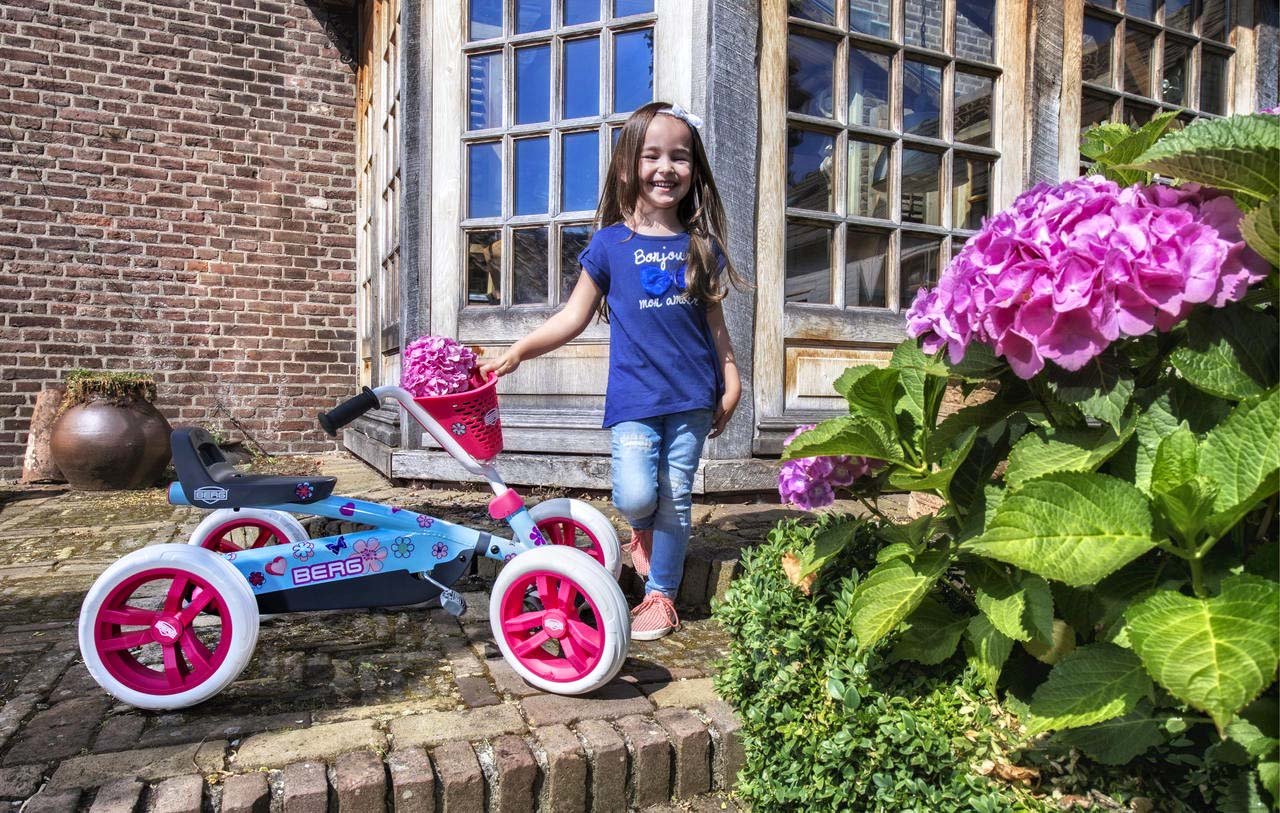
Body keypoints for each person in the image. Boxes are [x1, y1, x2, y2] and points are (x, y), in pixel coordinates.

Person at [480, 101, 745, 640]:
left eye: (680, 156)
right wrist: (519, 350)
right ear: (627, 167)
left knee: (676, 494)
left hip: (694, 395)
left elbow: (716, 326)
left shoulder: (702, 247)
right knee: (634, 496)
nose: (666, 168)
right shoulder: (608, 245)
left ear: (694, 168)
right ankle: (640, 532)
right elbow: (572, 317)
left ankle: (661, 595)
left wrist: (733, 378)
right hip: (634, 397)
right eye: (652, 155)